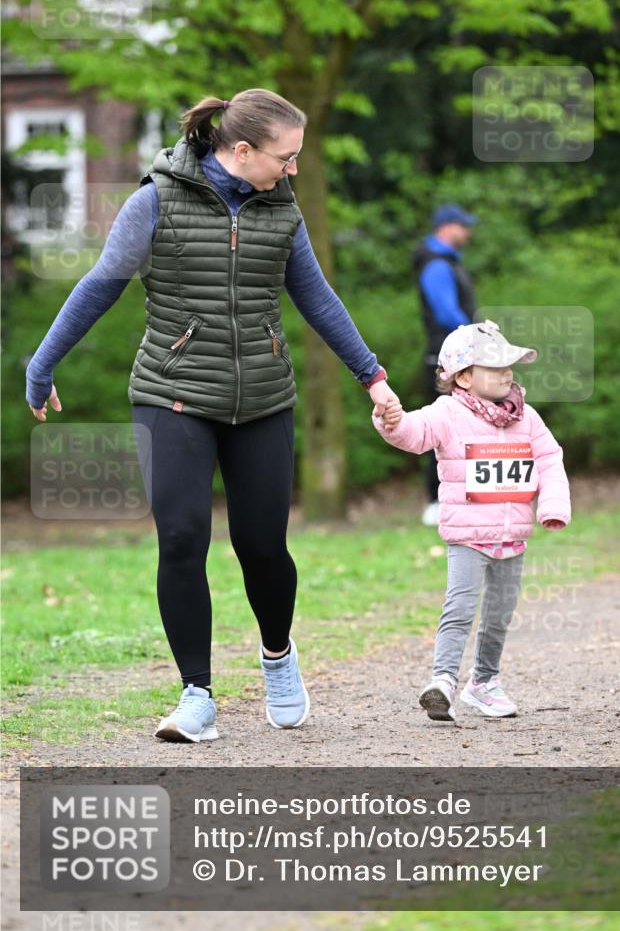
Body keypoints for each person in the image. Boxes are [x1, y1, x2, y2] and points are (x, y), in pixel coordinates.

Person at [26, 88, 402, 743]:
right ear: (242, 150)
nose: (292, 170)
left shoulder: (281, 209)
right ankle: (195, 694)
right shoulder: (154, 201)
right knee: (180, 536)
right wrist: (42, 364)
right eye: (284, 158)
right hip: (170, 392)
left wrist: (371, 376)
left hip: (260, 397)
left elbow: (315, 296)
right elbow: (101, 283)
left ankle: (278, 655)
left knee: (261, 546)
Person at [372, 319, 571, 721]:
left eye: (508, 366)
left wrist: (553, 506)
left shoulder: (526, 417)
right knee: (459, 608)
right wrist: (391, 420)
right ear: (462, 377)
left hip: (512, 535)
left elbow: (549, 458)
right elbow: (415, 433)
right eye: (494, 367)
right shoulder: (447, 412)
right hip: (467, 536)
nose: (506, 373)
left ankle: (484, 683)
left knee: (498, 614)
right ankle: (443, 681)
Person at [413, 204, 478, 527]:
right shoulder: (436, 264)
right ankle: (436, 500)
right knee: (443, 428)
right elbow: (446, 311)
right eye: (463, 226)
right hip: (447, 358)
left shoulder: (448, 262)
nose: (467, 233)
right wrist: (478, 335)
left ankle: (459, 497)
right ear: (447, 227)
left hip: (457, 356)